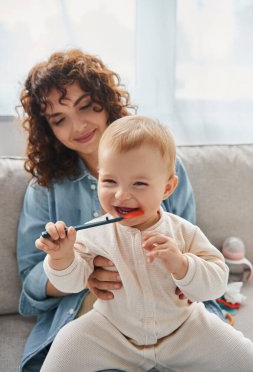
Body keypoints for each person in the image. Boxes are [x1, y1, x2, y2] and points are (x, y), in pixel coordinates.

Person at [16, 49, 223, 372]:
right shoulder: (45, 187)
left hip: (168, 315)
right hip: (99, 317)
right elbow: (30, 287)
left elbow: (189, 243)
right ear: (48, 130)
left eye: (85, 107)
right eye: (59, 119)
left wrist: (182, 269)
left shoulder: (167, 167)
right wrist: (73, 265)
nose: (78, 125)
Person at [37, 115, 253, 372]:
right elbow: (69, 283)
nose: (120, 194)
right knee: (66, 343)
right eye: (109, 181)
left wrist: (182, 264)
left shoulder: (183, 231)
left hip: (184, 330)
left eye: (139, 183)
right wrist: (61, 257)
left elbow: (217, 282)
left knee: (243, 355)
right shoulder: (92, 236)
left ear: (167, 188)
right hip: (113, 334)